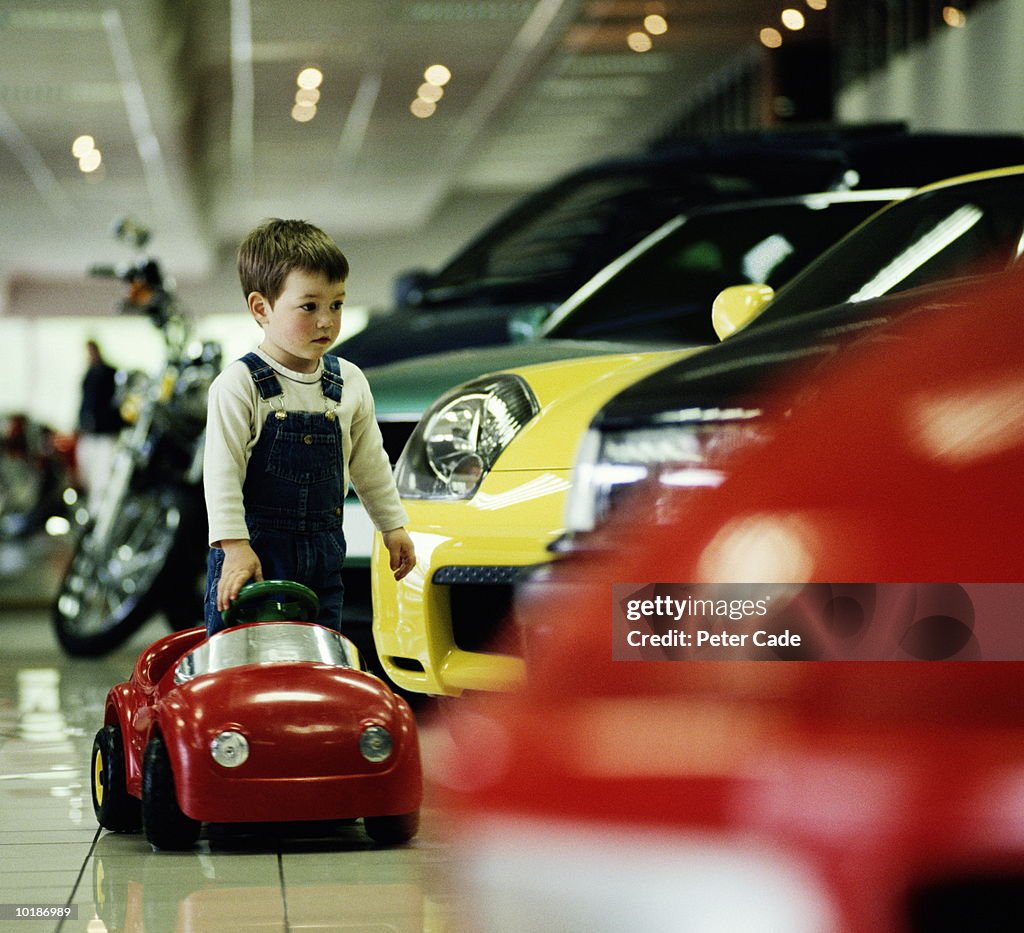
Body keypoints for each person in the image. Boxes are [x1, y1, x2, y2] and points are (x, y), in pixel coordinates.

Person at [202, 218, 415, 635]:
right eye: (309, 306)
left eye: (336, 304)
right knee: (246, 664)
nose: (326, 321)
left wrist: (393, 525)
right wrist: (235, 547)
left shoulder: (349, 381)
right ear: (261, 308)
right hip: (257, 558)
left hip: (325, 554)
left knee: (319, 659)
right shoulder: (240, 384)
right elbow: (221, 473)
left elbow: (370, 462)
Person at [77, 340, 122, 510]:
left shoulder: (109, 373)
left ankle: (102, 510)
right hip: (90, 433)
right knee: (90, 475)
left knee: (103, 475)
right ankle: (93, 510)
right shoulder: (88, 374)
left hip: (105, 433)